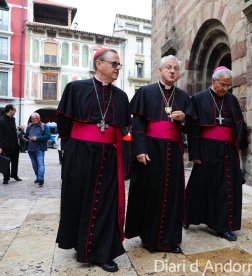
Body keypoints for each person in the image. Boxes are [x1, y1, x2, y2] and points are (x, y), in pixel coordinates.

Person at [55, 48, 129, 273]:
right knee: (78, 200)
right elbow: (64, 124)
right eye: (114, 64)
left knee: (106, 203)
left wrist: (125, 160)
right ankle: (81, 245)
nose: (118, 68)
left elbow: (125, 131)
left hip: (108, 156)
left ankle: (102, 252)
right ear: (99, 64)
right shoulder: (75, 88)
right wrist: (71, 152)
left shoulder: (121, 96)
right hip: (80, 154)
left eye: (119, 65)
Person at [125, 55, 191, 254]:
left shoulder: (183, 97)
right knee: (151, 193)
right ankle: (150, 238)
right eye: (169, 68)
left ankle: (170, 239)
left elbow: (191, 127)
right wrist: (140, 149)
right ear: (160, 70)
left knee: (173, 195)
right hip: (150, 150)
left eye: (176, 69)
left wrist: (184, 118)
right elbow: (137, 123)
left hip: (174, 152)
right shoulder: (146, 92)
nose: (172, 71)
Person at [184, 66, 248, 241]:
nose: (226, 89)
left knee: (227, 187)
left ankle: (223, 226)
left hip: (227, 150)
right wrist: (195, 153)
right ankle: (187, 216)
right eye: (223, 85)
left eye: (229, 86)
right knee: (200, 186)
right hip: (206, 149)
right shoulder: (198, 98)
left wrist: (238, 149)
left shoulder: (231, 100)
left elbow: (239, 125)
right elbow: (192, 128)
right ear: (213, 81)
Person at [26, 113, 51, 186]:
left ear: (39, 118)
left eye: (36, 118)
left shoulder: (44, 126)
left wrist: (37, 138)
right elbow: (27, 135)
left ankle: (40, 178)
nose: (34, 120)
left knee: (40, 163)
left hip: (39, 148)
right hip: (30, 149)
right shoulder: (29, 126)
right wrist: (26, 139)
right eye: (33, 119)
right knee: (34, 165)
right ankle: (38, 177)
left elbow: (48, 136)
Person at [0, 104, 22, 184]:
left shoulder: (13, 119)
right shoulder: (1, 120)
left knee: (15, 161)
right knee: (6, 162)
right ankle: (6, 178)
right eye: (14, 110)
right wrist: (0, 147)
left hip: (15, 145)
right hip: (6, 145)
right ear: (10, 110)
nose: (15, 111)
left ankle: (14, 175)